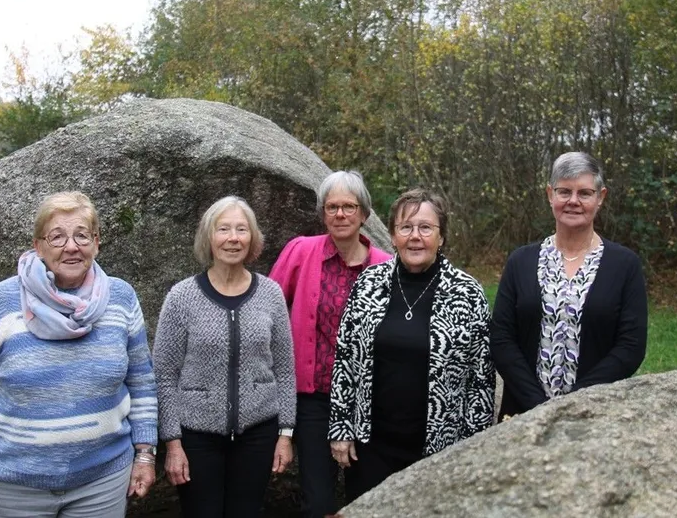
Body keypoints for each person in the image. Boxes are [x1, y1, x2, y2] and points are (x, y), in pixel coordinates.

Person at [0, 191, 158, 518]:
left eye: (82, 235)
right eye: (57, 237)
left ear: (96, 242)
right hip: (13, 488)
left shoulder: (121, 299)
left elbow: (142, 383)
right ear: (38, 246)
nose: (71, 246)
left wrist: (146, 455)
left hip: (103, 482)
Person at [328, 188, 495, 502]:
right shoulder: (368, 284)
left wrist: (476, 449)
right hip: (371, 446)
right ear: (392, 236)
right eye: (406, 227)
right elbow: (346, 360)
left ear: (441, 237)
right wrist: (340, 429)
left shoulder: (467, 292)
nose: (415, 236)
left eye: (425, 228)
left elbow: (481, 380)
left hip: (440, 450)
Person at [153, 196, 296, 518]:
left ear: (252, 238)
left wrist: (285, 434)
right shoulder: (182, 297)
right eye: (224, 229)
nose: (233, 238)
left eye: (241, 229)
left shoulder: (270, 293)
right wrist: (173, 443)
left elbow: (286, 369)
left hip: (258, 433)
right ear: (209, 237)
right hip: (197, 437)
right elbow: (164, 374)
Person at [269, 171, 391, 517]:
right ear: (323, 214)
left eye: (349, 207)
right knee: (318, 500)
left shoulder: (385, 266)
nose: (340, 215)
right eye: (332, 207)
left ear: (364, 214)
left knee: (365, 495)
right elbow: (269, 310)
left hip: (367, 402)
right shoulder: (301, 252)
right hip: (314, 401)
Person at [490, 151, 648, 418]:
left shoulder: (625, 265)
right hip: (523, 414)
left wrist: (576, 402)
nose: (573, 201)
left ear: (601, 198)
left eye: (584, 193)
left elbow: (630, 347)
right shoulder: (521, 261)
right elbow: (502, 339)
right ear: (550, 194)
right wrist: (538, 405)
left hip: (596, 413)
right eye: (564, 192)